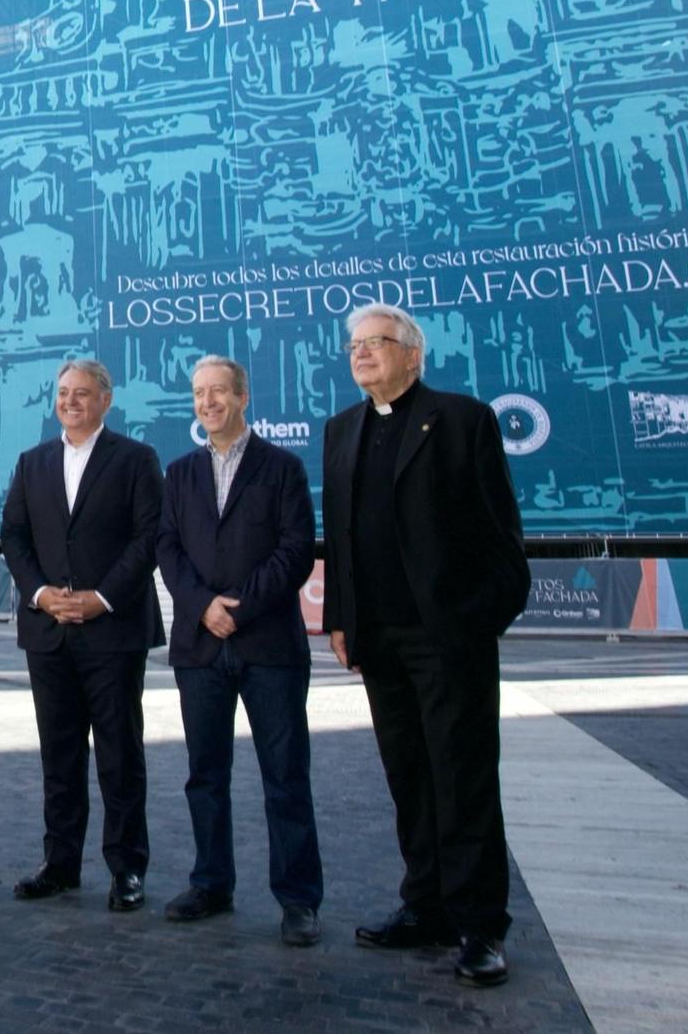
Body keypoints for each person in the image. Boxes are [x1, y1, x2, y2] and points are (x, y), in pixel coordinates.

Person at [322, 305, 529, 987]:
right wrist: (341, 620)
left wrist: (475, 622)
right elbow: (343, 537)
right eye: (354, 346)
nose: (361, 355)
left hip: (449, 640)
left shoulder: (463, 420)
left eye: (375, 344)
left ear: (413, 354)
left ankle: (480, 925)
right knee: (409, 778)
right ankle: (426, 907)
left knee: (462, 780)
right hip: (379, 641)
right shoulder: (342, 429)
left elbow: (501, 538)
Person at [155, 355, 324, 944]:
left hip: (267, 644)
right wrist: (203, 605)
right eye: (200, 393)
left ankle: (299, 899)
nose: (208, 402)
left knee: (284, 775)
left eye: (219, 391)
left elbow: (296, 550)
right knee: (205, 774)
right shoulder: (178, 474)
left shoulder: (282, 468)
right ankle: (211, 882)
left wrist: (240, 607)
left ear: (242, 397)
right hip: (200, 646)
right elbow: (167, 548)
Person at [0, 358, 164, 911]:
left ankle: (127, 869)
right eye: (64, 392)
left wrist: (100, 599)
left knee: (120, 756)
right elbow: (14, 538)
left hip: (113, 630)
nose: (71, 401)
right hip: (49, 632)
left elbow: (147, 539)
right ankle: (60, 862)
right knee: (59, 756)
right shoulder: (32, 461)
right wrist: (42, 595)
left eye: (83, 393)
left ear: (106, 400)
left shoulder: (137, 460)